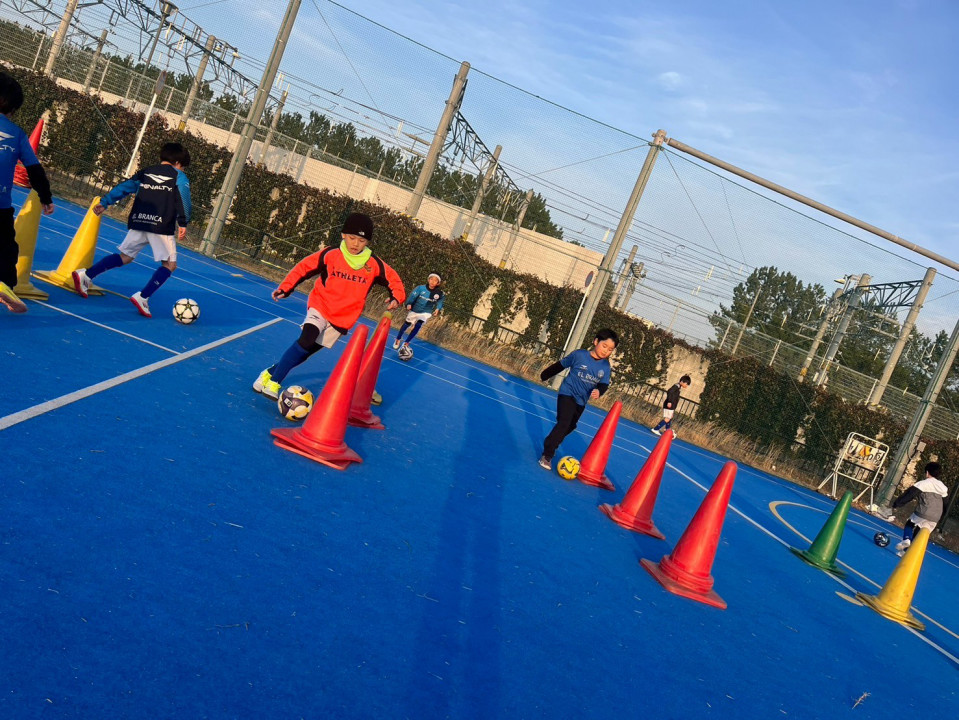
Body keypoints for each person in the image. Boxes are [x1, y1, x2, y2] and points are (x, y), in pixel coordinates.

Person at [253, 212, 405, 399]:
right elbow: (304, 268)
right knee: (306, 339)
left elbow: (394, 280)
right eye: (352, 238)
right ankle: (275, 383)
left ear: (367, 242)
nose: (356, 244)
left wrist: (397, 297)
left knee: (305, 352)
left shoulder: (374, 264)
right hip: (320, 305)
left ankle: (269, 373)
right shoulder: (331, 254)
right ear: (343, 235)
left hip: (342, 319)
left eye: (361, 240)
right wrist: (286, 287)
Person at [72, 142, 191, 317]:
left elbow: (125, 187)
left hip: (139, 220)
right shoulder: (179, 177)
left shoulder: (146, 171)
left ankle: (86, 275)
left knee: (125, 257)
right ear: (178, 163)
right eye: (183, 166)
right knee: (169, 265)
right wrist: (183, 222)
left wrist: (106, 202)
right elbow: (184, 200)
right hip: (160, 225)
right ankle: (143, 297)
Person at [0, 72, 54, 313]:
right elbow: (34, 169)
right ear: (13, 108)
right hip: (1, 205)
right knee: (7, 250)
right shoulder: (18, 135)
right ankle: (4, 285)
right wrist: (45, 197)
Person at [537, 328, 618, 470]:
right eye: (604, 346)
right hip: (567, 394)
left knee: (570, 426)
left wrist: (599, 391)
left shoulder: (605, 366)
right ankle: (547, 454)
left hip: (581, 401)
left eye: (610, 349)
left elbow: (604, 384)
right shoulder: (579, 355)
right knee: (564, 422)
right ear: (596, 341)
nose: (606, 351)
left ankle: (551, 441)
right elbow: (561, 365)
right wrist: (545, 375)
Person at [891, 461, 949, 556]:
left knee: (910, 523)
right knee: (919, 533)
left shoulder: (923, 483)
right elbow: (946, 503)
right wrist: (941, 518)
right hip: (936, 516)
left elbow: (910, 494)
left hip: (923, 511)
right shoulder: (943, 487)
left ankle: (906, 539)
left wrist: (897, 504)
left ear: (927, 472)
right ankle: (906, 553)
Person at [393, 272, 444, 352]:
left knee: (418, 325)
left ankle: (406, 342)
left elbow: (440, 300)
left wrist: (438, 308)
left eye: (435, 280)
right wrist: (409, 304)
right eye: (431, 279)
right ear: (428, 279)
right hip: (415, 310)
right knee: (407, 324)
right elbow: (412, 296)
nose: (432, 281)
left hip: (426, 311)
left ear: (438, 283)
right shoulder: (420, 288)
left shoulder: (439, 293)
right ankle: (398, 338)